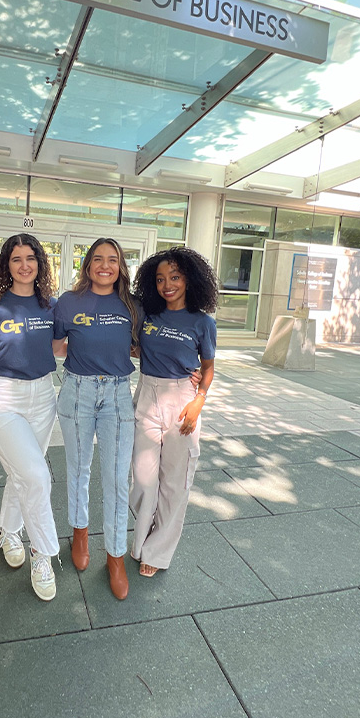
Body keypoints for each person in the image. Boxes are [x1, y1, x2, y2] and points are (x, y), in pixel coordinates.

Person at [53, 238, 140, 600]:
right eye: (98, 259)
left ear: (120, 266)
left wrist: (193, 374)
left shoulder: (133, 306)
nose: (106, 265)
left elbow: (142, 346)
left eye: (113, 260)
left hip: (119, 395)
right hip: (77, 392)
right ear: (88, 265)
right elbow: (57, 347)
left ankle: (116, 556)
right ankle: (80, 532)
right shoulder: (67, 302)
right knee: (78, 469)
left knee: (118, 479)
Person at [0, 233, 60, 602]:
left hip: (44, 395)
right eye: (16, 259)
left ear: (40, 263)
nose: (24, 265)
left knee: (22, 472)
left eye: (31, 258)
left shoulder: (51, 305)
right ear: (6, 265)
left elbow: (64, 345)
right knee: (36, 475)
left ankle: (9, 531)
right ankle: (42, 553)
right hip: (4, 398)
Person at [130, 246, 217, 577]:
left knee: (175, 483)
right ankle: (142, 540)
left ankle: (156, 551)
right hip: (147, 395)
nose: (168, 285)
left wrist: (199, 400)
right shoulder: (148, 314)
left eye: (175, 277)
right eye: (161, 279)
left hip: (182, 400)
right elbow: (136, 344)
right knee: (142, 480)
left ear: (190, 280)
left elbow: (207, 367)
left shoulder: (202, 322)